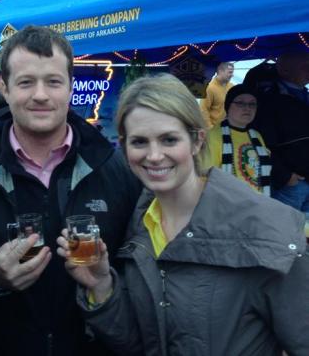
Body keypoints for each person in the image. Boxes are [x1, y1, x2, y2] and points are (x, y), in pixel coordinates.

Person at [57, 73, 308, 355]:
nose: (154, 155)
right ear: (124, 148)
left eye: (169, 140)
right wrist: (102, 286)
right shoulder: (138, 224)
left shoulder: (265, 227)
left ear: (197, 141)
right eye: (139, 142)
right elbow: (141, 343)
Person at [0, 25, 141, 356]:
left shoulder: (117, 170)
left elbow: (139, 277)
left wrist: (104, 285)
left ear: (70, 87)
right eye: (26, 82)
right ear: (5, 88)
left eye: (53, 82)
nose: (40, 95)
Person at [254, 51, 309, 212]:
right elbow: (261, 142)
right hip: (290, 185)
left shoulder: (303, 95)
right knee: (283, 227)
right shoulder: (269, 99)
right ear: (284, 70)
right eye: (305, 67)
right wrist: (285, 176)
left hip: (304, 180)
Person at [203, 84, 271, 195]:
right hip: (229, 201)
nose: (247, 108)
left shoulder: (257, 136)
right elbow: (206, 176)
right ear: (228, 106)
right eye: (240, 103)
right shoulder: (213, 136)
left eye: (252, 104)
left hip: (257, 201)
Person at [200, 61, 234, 128]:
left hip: (228, 127)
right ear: (220, 71)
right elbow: (203, 110)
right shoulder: (209, 88)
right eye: (230, 72)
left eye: (232, 72)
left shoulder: (232, 87)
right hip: (213, 128)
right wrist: (210, 128)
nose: (232, 75)